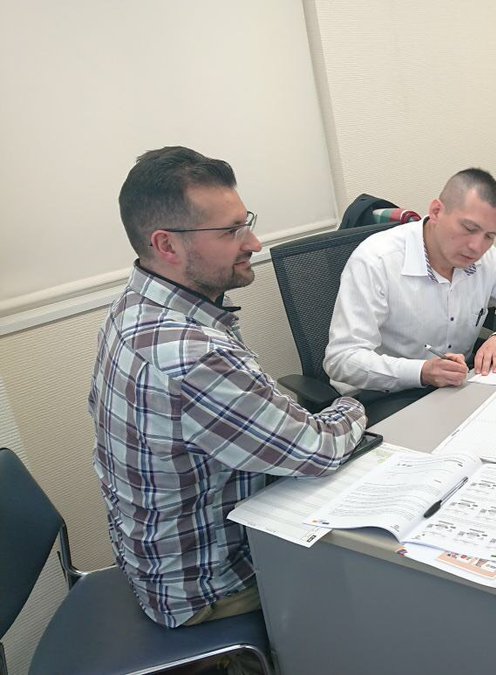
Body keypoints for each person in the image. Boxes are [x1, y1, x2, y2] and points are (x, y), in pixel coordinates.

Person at [90, 146, 368, 629]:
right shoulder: (191, 354)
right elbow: (319, 449)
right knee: (379, 576)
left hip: (156, 562)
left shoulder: (133, 308)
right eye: (230, 231)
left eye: (246, 223)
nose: (254, 243)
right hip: (207, 589)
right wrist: (354, 403)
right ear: (167, 246)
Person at [324, 168, 496, 395]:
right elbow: (341, 359)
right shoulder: (376, 260)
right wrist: (422, 372)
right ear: (436, 211)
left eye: (489, 236)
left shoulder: (486, 260)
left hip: (455, 388)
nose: (476, 247)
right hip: (383, 396)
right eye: (469, 228)